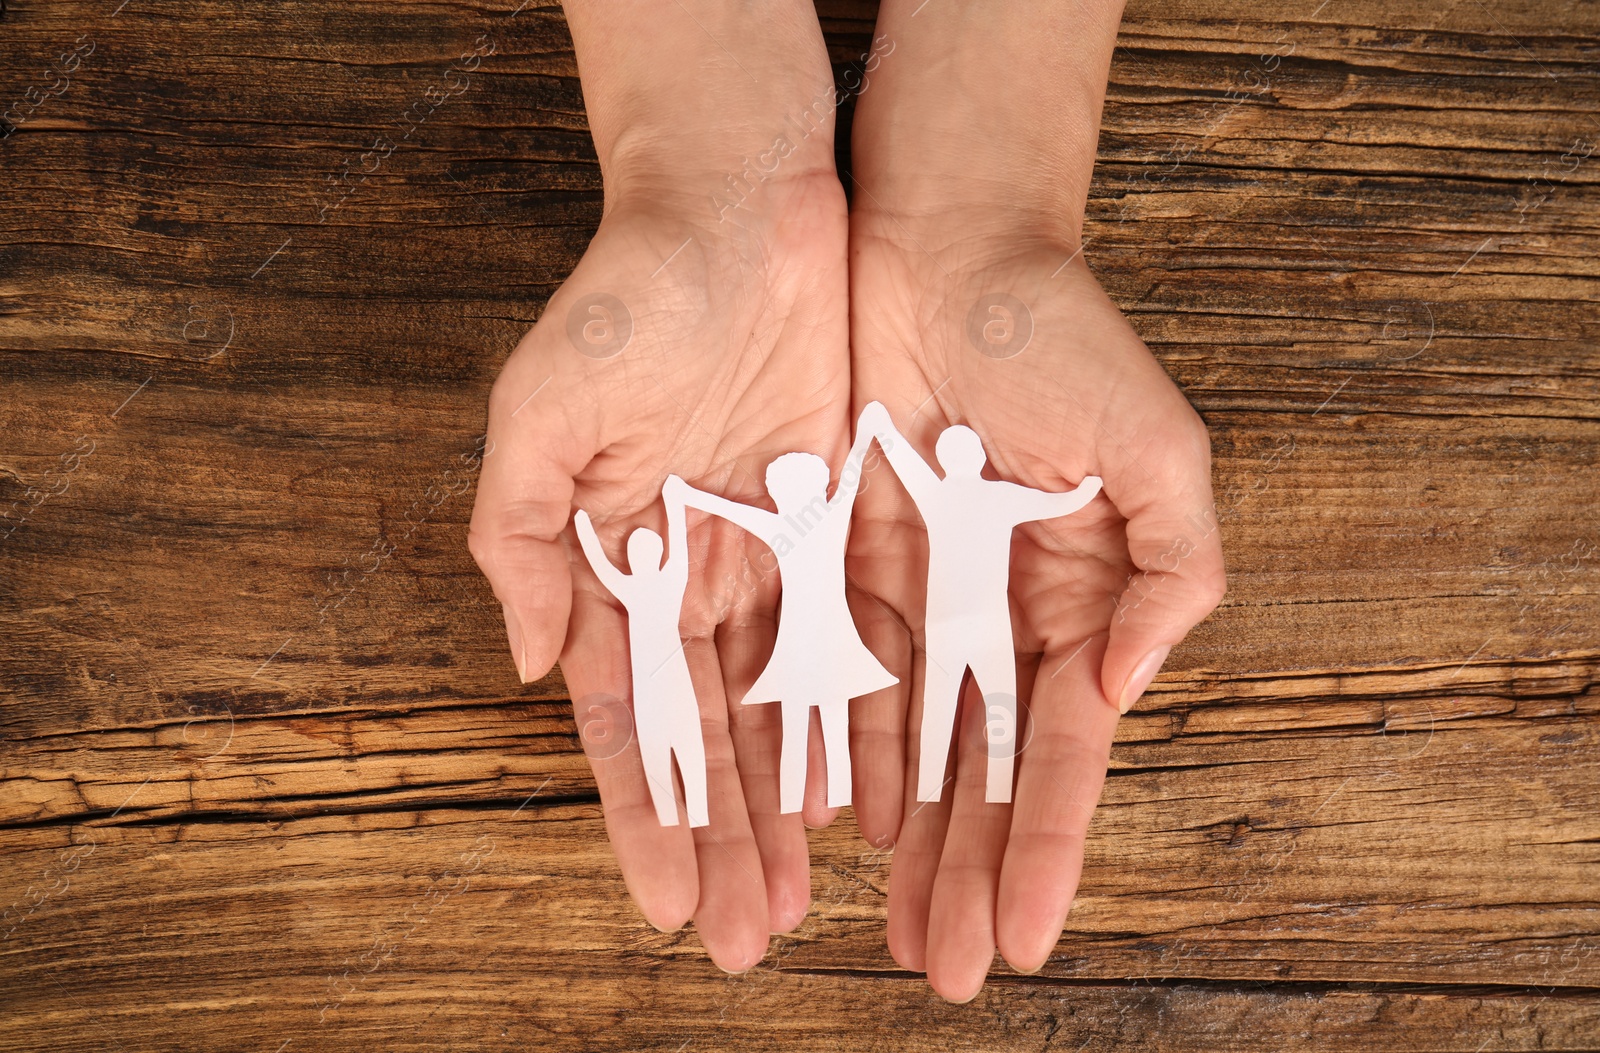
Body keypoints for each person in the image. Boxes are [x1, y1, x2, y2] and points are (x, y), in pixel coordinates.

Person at [467, 0, 1226, 997]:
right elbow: (864, 470)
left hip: (968, 624)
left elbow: (939, 482)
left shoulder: (954, 505)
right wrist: (705, 170)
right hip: (913, 618)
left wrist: (990, 196)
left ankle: (984, 770)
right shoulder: (818, 508)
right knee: (933, 701)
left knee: (986, 705)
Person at [858, 402, 1102, 806]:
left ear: (942, 460)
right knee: (1000, 701)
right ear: (981, 457)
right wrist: (1088, 490)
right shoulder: (1000, 496)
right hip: (988, 623)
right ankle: (999, 787)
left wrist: (883, 427)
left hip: (944, 623)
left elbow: (904, 461)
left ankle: (930, 788)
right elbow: (1056, 504)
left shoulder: (935, 493)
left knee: (939, 702)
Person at [664, 410, 891, 816]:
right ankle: (806, 792)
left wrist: (687, 495)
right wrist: (865, 433)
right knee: (817, 720)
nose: (783, 497)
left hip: (816, 639)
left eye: (783, 488)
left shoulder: (797, 522)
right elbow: (851, 476)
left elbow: (729, 509)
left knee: (808, 721)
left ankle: (807, 791)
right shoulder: (805, 520)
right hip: (812, 640)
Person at [572, 499, 708, 829]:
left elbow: (599, 562)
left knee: (663, 743)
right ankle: (690, 812)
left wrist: (582, 523)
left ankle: (685, 812)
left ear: (634, 560)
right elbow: (678, 547)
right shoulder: (668, 580)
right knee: (679, 740)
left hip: (654, 679)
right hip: (664, 677)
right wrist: (674, 506)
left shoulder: (632, 586)